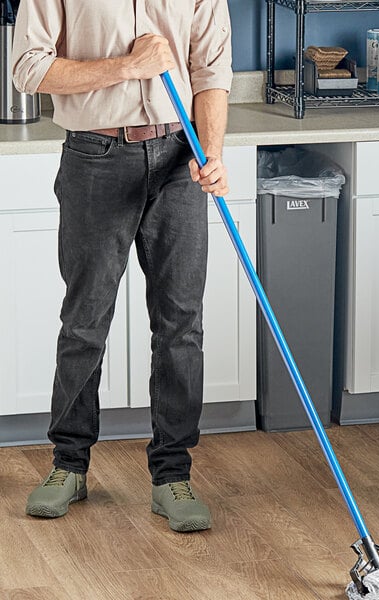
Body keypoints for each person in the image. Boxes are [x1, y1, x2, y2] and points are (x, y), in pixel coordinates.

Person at [12, 0, 232, 532]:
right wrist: (127, 67)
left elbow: (210, 71)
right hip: (95, 157)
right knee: (85, 321)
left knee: (181, 324)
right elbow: (28, 69)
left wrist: (214, 152)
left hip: (181, 155)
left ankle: (172, 476)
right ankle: (69, 466)